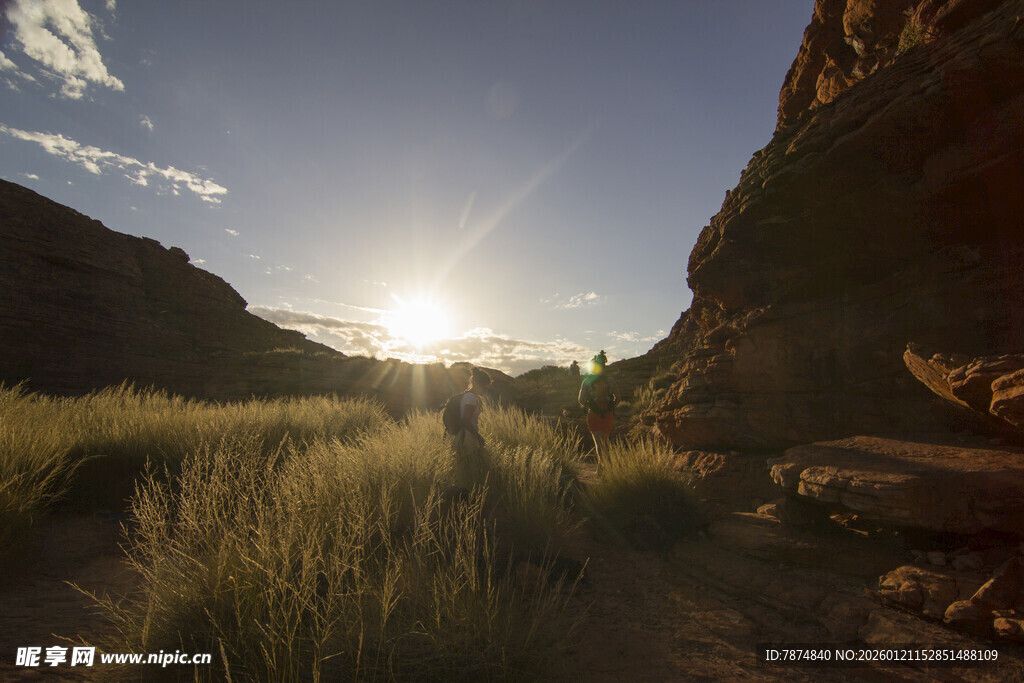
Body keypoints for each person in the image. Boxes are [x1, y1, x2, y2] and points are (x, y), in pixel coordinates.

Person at [578, 351, 617, 474]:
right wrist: (610, 408)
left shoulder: (587, 381)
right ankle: (602, 468)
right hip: (608, 414)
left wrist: (589, 405)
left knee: (598, 443)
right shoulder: (611, 381)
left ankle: (603, 468)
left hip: (593, 414)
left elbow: (581, 400)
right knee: (604, 441)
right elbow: (618, 398)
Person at [453, 367, 492, 488]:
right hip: (467, 439)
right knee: (470, 469)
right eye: (485, 386)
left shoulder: (467, 394)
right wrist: (478, 437)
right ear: (478, 384)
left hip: (465, 437)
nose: (486, 389)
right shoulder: (471, 398)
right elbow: (465, 420)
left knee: (466, 468)